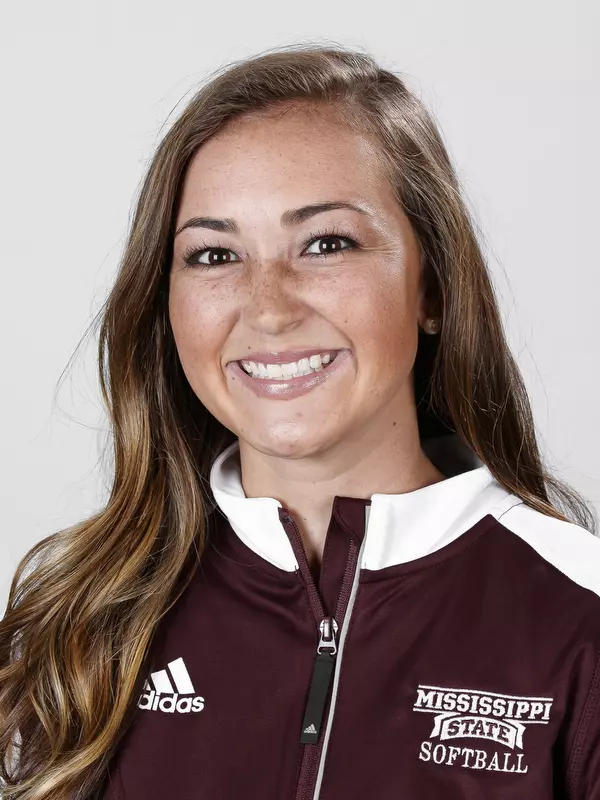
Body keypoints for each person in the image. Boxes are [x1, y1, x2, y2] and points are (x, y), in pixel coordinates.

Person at [0, 43, 598, 800]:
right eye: (215, 256)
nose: (270, 308)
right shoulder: (84, 624)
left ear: (434, 287)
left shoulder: (581, 615)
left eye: (326, 244)